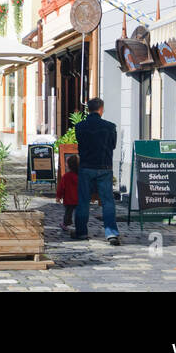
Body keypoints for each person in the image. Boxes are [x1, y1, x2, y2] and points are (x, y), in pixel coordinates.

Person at [73, 98, 120, 245]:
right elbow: (113, 146)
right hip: (104, 167)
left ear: (88, 109)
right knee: (107, 201)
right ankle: (111, 233)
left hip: (86, 166)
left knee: (83, 201)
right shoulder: (110, 127)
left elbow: (80, 144)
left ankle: (81, 231)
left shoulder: (80, 126)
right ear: (101, 109)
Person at [56, 154, 80, 231]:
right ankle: (79, 224)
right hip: (79, 198)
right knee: (79, 213)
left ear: (69, 165)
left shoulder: (66, 176)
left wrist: (58, 196)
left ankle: (66, 224)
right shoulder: (81, 176)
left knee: (68, 213)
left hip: (69, 199)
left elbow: (61, 188)